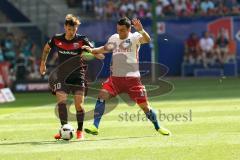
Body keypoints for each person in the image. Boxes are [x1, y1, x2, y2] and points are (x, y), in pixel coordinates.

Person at [82, 17, 171, 136]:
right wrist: (92, 50)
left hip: (132, 80)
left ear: (129, 29)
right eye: (118, 30)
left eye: (123, 30)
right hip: (115, 79)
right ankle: (95, 126)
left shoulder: (135, 37)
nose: (120, 32)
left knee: (145, 107)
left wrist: (141, 30)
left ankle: (158, 127)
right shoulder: (114, 38)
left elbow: (147, 39)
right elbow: (104, 49)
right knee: (102, 96)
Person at [39, 14, 103, 140]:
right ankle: (64, 129)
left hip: (78, 76)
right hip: (62, 76)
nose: (71, 32)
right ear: (65, 27)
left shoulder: (82, 40)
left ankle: (79, 131)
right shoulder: (56, 39)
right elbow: (46, 49)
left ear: (77, 29)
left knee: (79, 105)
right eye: (69, 29)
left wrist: (95, 53)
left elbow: (94, 51)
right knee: (61, 102)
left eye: (74, 29)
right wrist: (43, 63)